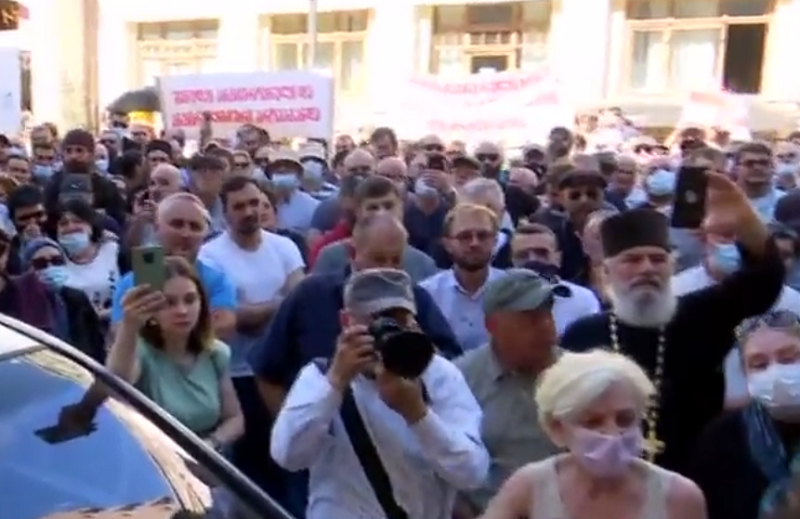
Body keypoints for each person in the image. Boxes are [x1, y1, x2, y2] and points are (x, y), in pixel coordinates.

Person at [560, 170, 785, 474]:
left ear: (671, 266)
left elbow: (764, 280)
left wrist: (741, 218)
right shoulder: (582, 336)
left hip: (699, 476)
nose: (646, 268)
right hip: (610, 478)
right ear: (607, 272)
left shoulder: (699, 315)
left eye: (657, 259)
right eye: (632, 260)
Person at [270, 268, 489, 519]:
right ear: (347, 322)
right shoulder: (320, 376)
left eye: (399, 322)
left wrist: (418, 414)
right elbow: (288, 456)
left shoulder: (438, 375)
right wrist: (335, 383)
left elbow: (472, 474)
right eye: (377, 321)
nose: (387, 333)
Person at [479, 349, 706, 519]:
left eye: (625, 419)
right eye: (592, 422)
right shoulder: (531, 487)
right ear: (558, 429)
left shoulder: (678, 496)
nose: (612, 433)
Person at [199, 176, 305, 491]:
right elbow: (234, 319)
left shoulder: (284, 246)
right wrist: (279, 304)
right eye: (240, 206)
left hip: (284, 369)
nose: (250, 211)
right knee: (253, 468)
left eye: (255, 203)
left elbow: (299, 302)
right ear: (225, 213)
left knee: (290, 458)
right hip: (238, 375)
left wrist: (259, 310)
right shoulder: (210, 255)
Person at [455, 270, 561, 515]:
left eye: (548, 313)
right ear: (492, 325)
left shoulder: (578, 376)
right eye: (530, 318)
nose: (547, 326)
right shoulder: (460, 380)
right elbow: (439, 467)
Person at [107, 256, 244, 445]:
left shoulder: (215, 353)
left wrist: (212, 443)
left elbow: (235, 418)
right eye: (169, 303)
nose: (182, 310)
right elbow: (117, 382)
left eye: (190, 300)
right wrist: (129, 326)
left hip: (209, 453)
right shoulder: (140, 352)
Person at [691, 310, 800, 519]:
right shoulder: (721, 439)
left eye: (788, 359)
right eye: (759, 365)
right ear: (745, 373)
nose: (775, 372)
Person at [110, 193, 237, 338]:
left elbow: (223, 325)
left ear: (205, 234)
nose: (185, 234)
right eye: (177, 224)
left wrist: (153, 327)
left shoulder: (218, 281)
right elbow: (120, 331)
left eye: (195, 227)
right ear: (157, 227)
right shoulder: (132, 282)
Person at [312, 176, 438, 282]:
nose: (381, 213)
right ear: (358, 212)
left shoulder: (423, 264)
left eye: (388, 206)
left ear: (401, 208)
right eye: (373, 208)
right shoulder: (331, 258)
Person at [421, 203, 505, 351]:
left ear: (495, 241)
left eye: (482, 236)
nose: (474, 243)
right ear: (447, 244)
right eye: (464, 237)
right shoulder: (427, 294)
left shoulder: (512, 290)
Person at [20, 237, 105, 362]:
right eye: (40, 264)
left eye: (56, 261)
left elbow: (96, 343)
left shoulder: (77, 298)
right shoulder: (20, 303)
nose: (50, 267)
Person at [511, 222, 600, 334]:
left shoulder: (582, 299)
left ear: (558, 258)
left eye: (542, 253)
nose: (532, 259)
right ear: (512, 261)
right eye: (523, 255)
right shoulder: (497, 301)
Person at [53, 199, 128, 322]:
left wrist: (107, 314)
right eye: (63, 223)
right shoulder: (52, 258)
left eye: (78, 221)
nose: (71, 227)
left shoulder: (114, 251)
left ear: (91, 225)